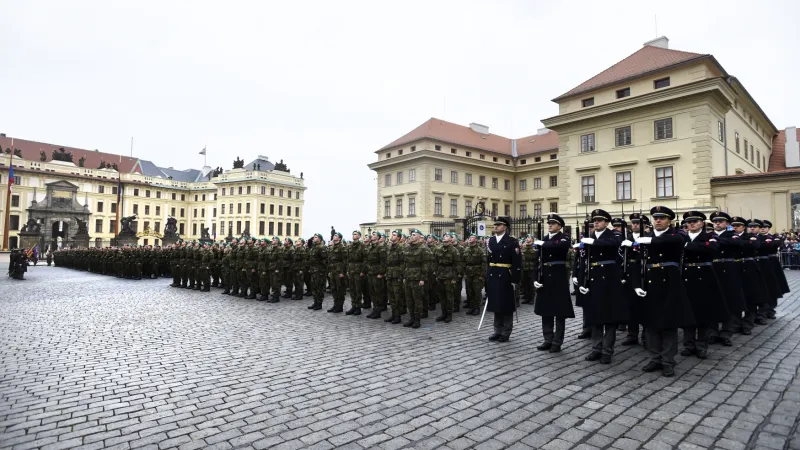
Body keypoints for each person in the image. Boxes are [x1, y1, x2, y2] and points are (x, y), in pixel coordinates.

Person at [635, 206, 695, 377]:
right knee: (651, 323)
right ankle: (655, 358)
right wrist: (636, 284)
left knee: (669, 324)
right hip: (650, 282)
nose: (658, 221)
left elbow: (676, 241)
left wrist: (651, 241)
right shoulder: (646, 237)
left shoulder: (677, 235)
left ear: (670, 221)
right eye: (655, 218)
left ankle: (668, 361)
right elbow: (637, 262)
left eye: (662, 218)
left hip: (670, 283)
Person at [575, 209, 627, 364]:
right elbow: (583, 260)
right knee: (595, 316)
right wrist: (582, 280)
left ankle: (607, 351)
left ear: (606, 222)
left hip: (610, 279)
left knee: (609, 318)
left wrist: (595, 242)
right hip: (593, 278)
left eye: (599, 220)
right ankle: (596, 349)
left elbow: (616, 243)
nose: (596, 223)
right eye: (594, 221)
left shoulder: (614, 234)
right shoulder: (589, 237)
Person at [680, 211, 727, 359]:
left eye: (695, 221)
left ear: (702, 223)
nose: (691, 224)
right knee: (687, 312)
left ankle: (701, 345)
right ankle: (688, 344)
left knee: (703, 313)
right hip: (686, 275)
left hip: (704, 276)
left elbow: (713, 248)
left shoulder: (710, 236)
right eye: (689, 222)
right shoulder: (682, 236)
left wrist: (688, 246)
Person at [532, 213, 574, 353]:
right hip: (545, 276)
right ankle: (547, 339)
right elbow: (537, 261)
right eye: (549, 223)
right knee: (546, 310)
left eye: (553, 223)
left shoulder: (564, 237)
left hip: (558, 277)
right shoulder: (544, 239)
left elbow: (559, 247)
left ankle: (557, 341)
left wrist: (542, 244)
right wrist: (535, 279)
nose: (549, 225)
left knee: (559, 311)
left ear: (559, 226)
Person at [486, 217, 522, 342]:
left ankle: (506, 332)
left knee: (505, 305)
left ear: (505, 227)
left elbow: (517, 262)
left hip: (506, 275)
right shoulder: (490, 241)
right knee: (496, 304)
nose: (495, 227)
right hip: (493, 274)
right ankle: (497, 330)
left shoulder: (512, 241)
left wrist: (515, 279)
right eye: (495, 225)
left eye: (499, 225)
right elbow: (488, 260)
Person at [621, 213, 648, 347]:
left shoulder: (648, 237)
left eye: (638, 223)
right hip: (629, 273)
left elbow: (644, 253)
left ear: (645, 225)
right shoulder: (627, 237)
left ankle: (646, 335)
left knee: (644, 306)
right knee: (630, 305)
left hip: (643, 273)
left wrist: (632, 245)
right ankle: (632, 334)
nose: (635, 225)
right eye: (634, 223)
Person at [403, 229, 432, 328]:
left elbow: (426, 265)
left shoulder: (424, 248)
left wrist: (422, 278)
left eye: (414, 235)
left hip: (418, 277)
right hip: (408, 276)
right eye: (411, 235)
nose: (412, 236)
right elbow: (405, 263)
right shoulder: (407, 248)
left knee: (417, 299)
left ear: (420, 237)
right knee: (409, 299)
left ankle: (417, 319)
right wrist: (404, 276)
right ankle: (411, 318)